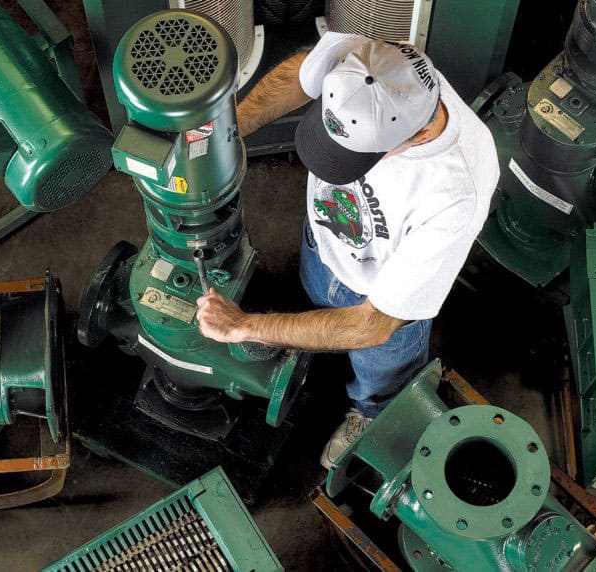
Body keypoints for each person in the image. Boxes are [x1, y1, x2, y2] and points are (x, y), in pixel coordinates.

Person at [195, 32, 500, 469]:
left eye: (349, 155)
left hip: (378, 302)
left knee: (381, 376)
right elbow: (300, 75)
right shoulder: (372, 57)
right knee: (310, 295)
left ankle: (369, 414)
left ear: (411, 140)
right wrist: (226, 131)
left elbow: (372, 325)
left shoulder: (456, 190)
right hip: (322, 244)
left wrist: (244, 327)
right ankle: (301, 332)